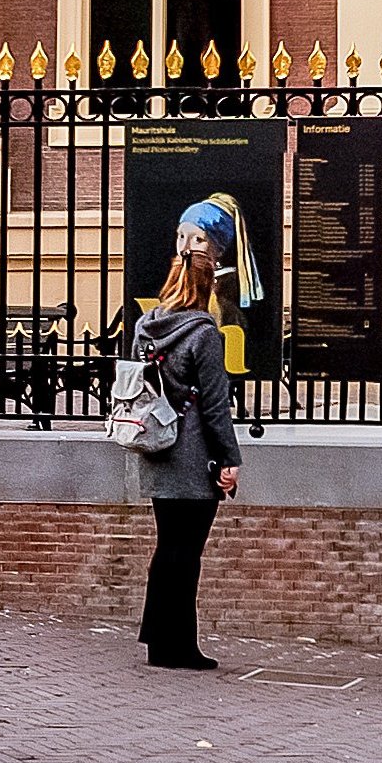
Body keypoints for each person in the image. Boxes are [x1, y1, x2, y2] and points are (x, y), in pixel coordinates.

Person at [131, 201, 242, 669]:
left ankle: (159, 642)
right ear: (208, 284)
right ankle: (181, 647)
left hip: (156, 447)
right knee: (186, 553)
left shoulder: (145, 327)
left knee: (166, 547)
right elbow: (215, 408)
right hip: (194, 457)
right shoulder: (204, 334)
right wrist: (229, 459)